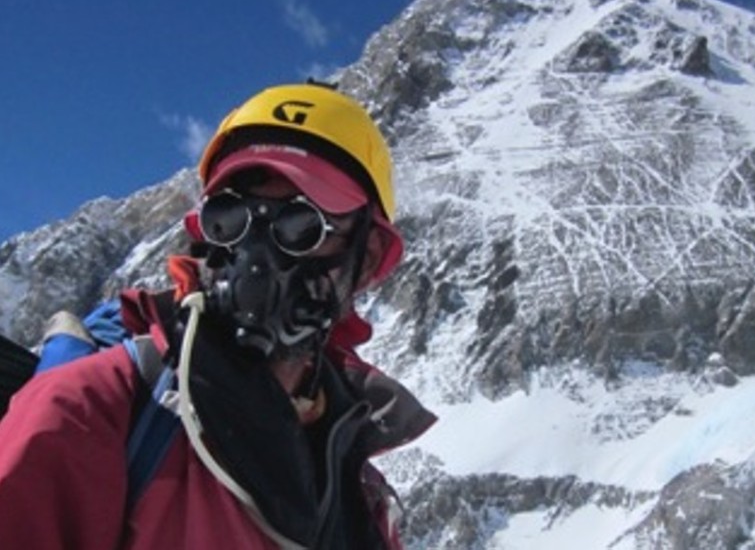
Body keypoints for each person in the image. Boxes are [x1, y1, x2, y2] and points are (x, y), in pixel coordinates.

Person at [0, 83, 436, 549]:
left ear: (367, 257)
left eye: (301, 225)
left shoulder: (360, 495)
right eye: (229, 218)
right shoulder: (91, 411)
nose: (256, 255)